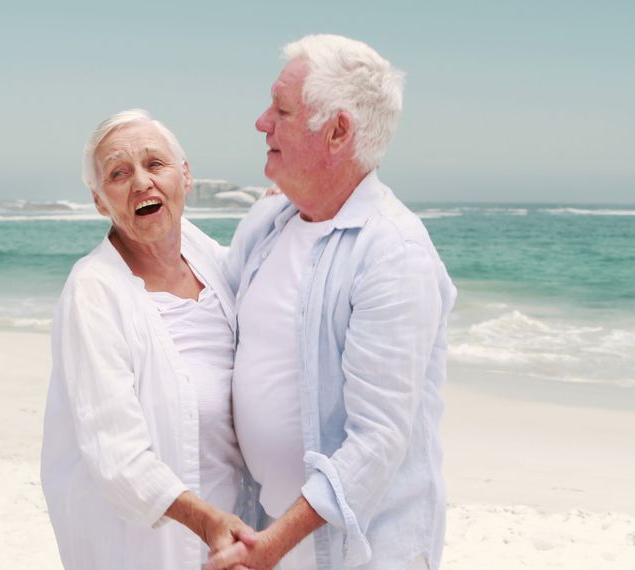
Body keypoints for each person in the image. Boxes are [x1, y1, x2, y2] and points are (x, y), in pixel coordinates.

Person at [210, 35, 456, 570]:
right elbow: (212, 313)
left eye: (281, 109)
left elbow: (376, 442)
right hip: (268, 530)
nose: (261, 122)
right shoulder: (268, 224)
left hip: (359, 553)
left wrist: (272, 546)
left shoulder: (394, 252)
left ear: (337, 131)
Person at [40, 109, 257, 569]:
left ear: (186, 175)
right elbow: (115, 455)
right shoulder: (93, 293)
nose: (141, 182)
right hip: (150, 550)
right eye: (118, 173)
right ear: (101, 202)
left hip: (234, 542)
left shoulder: (215, 263)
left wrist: (284, 211)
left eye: (154, 164)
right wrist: (206, 523)